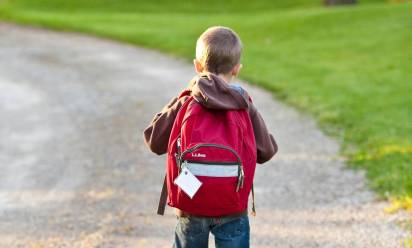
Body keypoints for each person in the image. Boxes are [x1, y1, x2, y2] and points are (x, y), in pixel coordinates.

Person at [143, 26, 277, 248]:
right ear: (237, 69)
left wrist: (182, 97)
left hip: (190, 202)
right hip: (232, 205)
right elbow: (266, 152)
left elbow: (154, 140)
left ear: (197, 66)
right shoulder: (244, 104)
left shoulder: (187, 101)